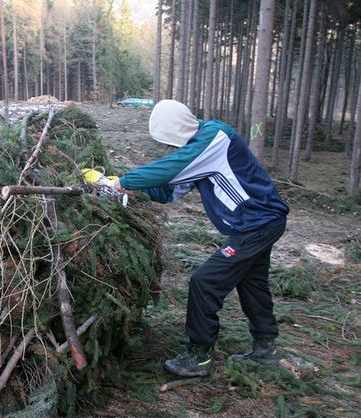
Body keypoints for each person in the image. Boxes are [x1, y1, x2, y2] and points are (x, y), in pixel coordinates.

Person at [114, 99, 289, 377]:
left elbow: (171, 167)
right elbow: (169, 192)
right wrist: (128, 190)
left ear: (175, 131)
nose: (168, 149)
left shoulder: (215, 137)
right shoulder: (197, 153)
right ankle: (265, 349)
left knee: (204, 282)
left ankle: (199, 355)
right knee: (252, 284)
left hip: (257, 225)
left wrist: (122, 181)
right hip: (255, 225)